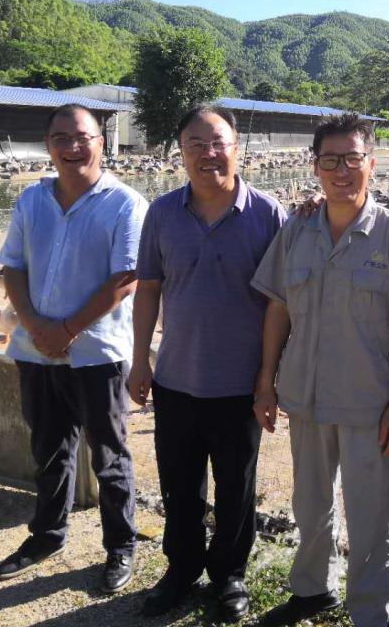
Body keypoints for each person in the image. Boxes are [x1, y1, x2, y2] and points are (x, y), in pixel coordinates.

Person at [251, 113, 389, 627]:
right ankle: (312, 590)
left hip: (370, 400)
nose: (341, 170)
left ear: (372, 163)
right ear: (315, 166)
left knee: (373, 513)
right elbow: (278, 307)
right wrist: (265, 383)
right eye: (330, 160)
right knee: (309, 502)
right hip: (304, 393)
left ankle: (369, 611)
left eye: (352, 158)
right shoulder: (297, 228)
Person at [129, 104, 287, 621]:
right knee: (179, 484)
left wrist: (268, 379)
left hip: (241, 384)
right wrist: (140, 360)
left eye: (218, 143)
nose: (208, 154)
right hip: (176, 377)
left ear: (237, 148)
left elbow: (281, 304)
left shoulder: (268, 214)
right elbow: (148, 289)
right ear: (180, 153)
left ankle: (229, 575)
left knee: (236, 486)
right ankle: (181, 569)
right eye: (195, 144)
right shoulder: (162, 213)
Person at [0, 104, 147, 594]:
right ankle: (47, 535)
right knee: (48, 449)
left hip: (97, 352)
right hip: (35, 349)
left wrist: (67, 329)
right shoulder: (31, 201)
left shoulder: (125, 204)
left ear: (100, 142)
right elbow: (13, 267)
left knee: (109, 454)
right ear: (48, 145)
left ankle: (120, 545)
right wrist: (36, 326)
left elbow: (126, 277)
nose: (72, 146)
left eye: (82, 137)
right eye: (61, 138)